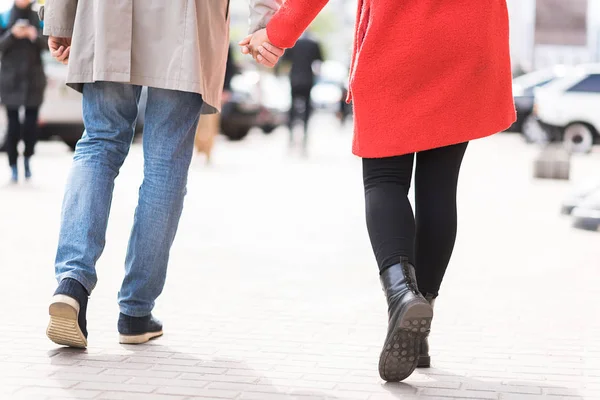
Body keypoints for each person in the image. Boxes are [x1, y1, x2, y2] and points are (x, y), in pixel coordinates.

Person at [241, 0, 516, 382]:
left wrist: (276, 33)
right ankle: (420, 327)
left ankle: (403, 295)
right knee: (439, 187)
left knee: (384, 179)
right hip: (468, 39)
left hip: (399, 40)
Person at [41, 0, 271, 349]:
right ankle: (135, 312)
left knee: (99, 144)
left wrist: (60, 17)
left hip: (107, 13)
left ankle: (72, 281)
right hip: (187, 19)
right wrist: (265, 24)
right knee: (165, 164)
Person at [0, 0, 46, 183]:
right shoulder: (4, 18)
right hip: (10, 81)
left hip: (33, 80)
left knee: (30, 126)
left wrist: (34, 35)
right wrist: (13, 34)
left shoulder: (38, 18)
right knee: (12, 127)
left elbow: (49, 45)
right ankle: (12, 166)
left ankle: (27, 160)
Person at [282, 31, 323, 152]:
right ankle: (304, 135)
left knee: (292, 108)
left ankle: (290, 136)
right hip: (307, 78)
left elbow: (285, 61)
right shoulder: (313, 43)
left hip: (294, 78)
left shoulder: (293, 43)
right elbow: (319, 61)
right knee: (307, 107)